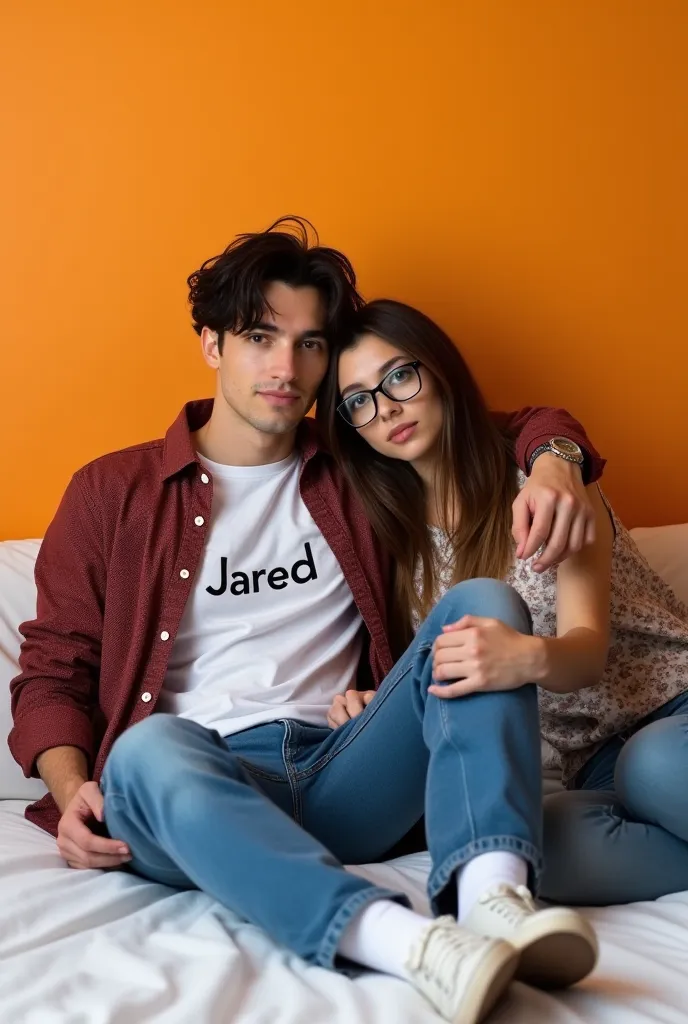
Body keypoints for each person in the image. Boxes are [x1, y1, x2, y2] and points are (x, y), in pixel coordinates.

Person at [10, 219, 602, 1024]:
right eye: (260, 336)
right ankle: (406, 944)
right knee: (146, 748)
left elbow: (505, 424)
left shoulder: (357, 469)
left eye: (311, 344)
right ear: (213, 344)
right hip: (192, 790)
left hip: (344, 768)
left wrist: (555, 459)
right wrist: (74, 788)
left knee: (483, 609)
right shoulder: (114, 493)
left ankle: (496, 902)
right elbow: (52, 666)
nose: (286, 368)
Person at [319, 297, 688, 908]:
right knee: (529, 854)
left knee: (654, 766)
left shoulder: (546, 489)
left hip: (671, 717)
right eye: (359, 401)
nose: (385, 409)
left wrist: (522, 657)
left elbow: (585, 656)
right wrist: (375, 702)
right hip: (593, 769)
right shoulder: (393, 546)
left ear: (439, 370)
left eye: (399, 377)